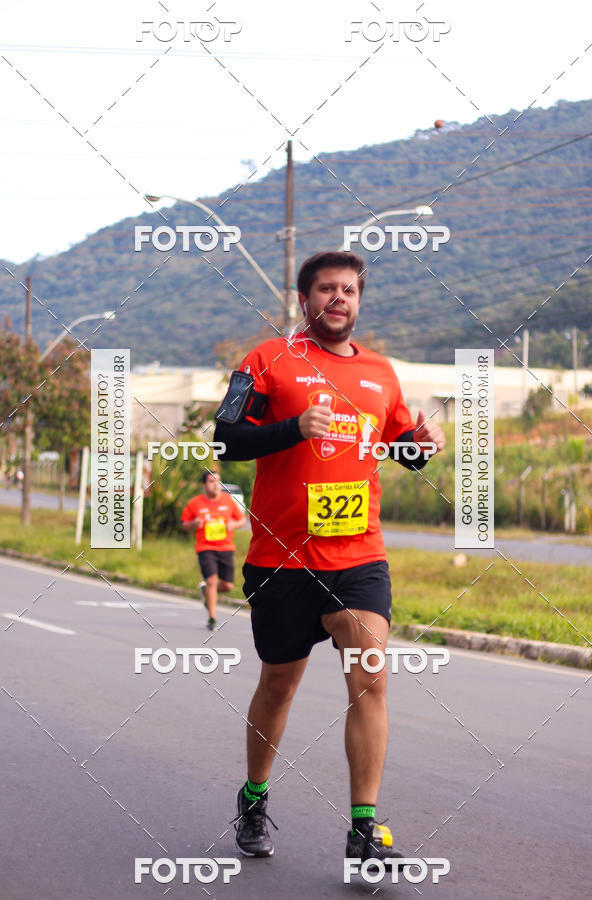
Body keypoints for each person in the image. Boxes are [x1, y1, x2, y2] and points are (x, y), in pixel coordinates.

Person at [214, 251, 445, 867]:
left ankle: (364, 830)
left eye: (349, 290)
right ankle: (254, 797)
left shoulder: (380, 372)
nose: (339, 298)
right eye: (326, 289)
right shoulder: (267, 359)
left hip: (357, 556)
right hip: (281, 559)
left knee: (371, 679)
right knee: (278, 686)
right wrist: (294, 428)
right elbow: (224, 440)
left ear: (359, 301)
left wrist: (422, 445)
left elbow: (398, 447)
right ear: (304, 299)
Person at [181, 470, 246, 630]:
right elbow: (185, 524)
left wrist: (233, 525)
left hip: (226, 547)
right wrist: (194, 523)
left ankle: (207, 592)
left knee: (228, 586)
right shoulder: (196, 503)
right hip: (206, 547)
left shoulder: (228, 500)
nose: (216, 485)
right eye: (211, 481)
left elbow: (242, 520)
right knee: (211, 581)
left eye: (218, 481)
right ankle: (212, 618)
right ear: (204, 485)